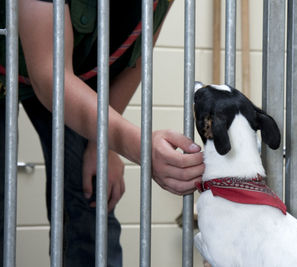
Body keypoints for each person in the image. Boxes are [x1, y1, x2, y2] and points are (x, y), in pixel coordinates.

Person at [0, 0, 205, 266]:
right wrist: (140, 146)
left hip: (75, 77)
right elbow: (49, 74)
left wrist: (103, 146)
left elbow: (137, 55)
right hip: (38, 68)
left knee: (92, 203)